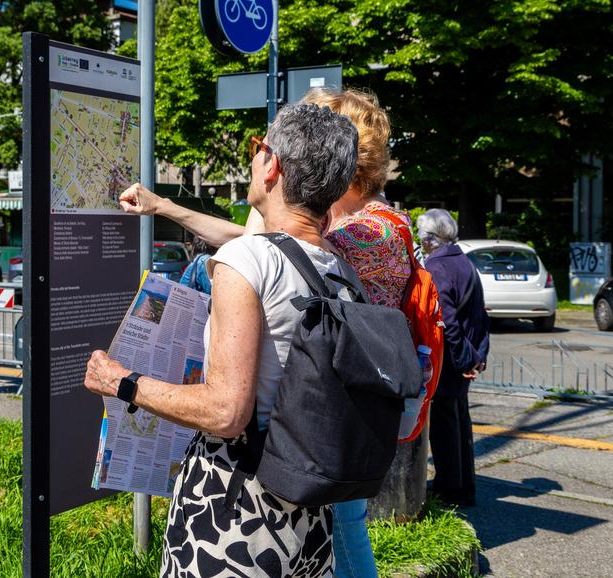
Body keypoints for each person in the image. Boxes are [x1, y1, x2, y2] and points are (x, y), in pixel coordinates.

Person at [115, 87, 405, 578]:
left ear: (273, 168)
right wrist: (166, 205)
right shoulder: (339, 265)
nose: (254, 159)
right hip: (306, 502)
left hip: (234, 507)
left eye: (259, 150)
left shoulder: (257, 259)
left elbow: (226, 412)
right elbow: (273, 242)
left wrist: (121, 382)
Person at [416, 209, 490, 507]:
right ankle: (463, 486)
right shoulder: (464, 262)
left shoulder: (437, 267)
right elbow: (480, 315)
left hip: (449, 361)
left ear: (432, 240)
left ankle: (450, 488)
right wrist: (477, 357)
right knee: (459, 421)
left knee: (446, 426)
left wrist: (463, 361)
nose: (421, 243)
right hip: (464, 358)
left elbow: (446, 322)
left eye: (422, 238)